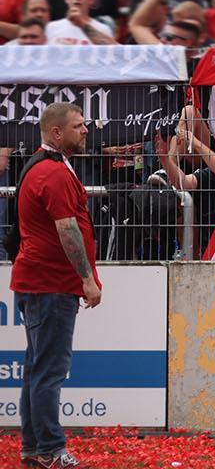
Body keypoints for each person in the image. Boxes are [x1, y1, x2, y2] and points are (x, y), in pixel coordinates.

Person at [11, 101, 103, 468]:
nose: (86, 130)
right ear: (56, 132)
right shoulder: (54, 174)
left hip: (40, 282)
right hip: (51, 284)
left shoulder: (45, 167)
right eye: (79, 126)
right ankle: (49, 448)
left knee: (37, 368)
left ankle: (34, 448)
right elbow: (67, 229)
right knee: (48, 371)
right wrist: (87, 279)